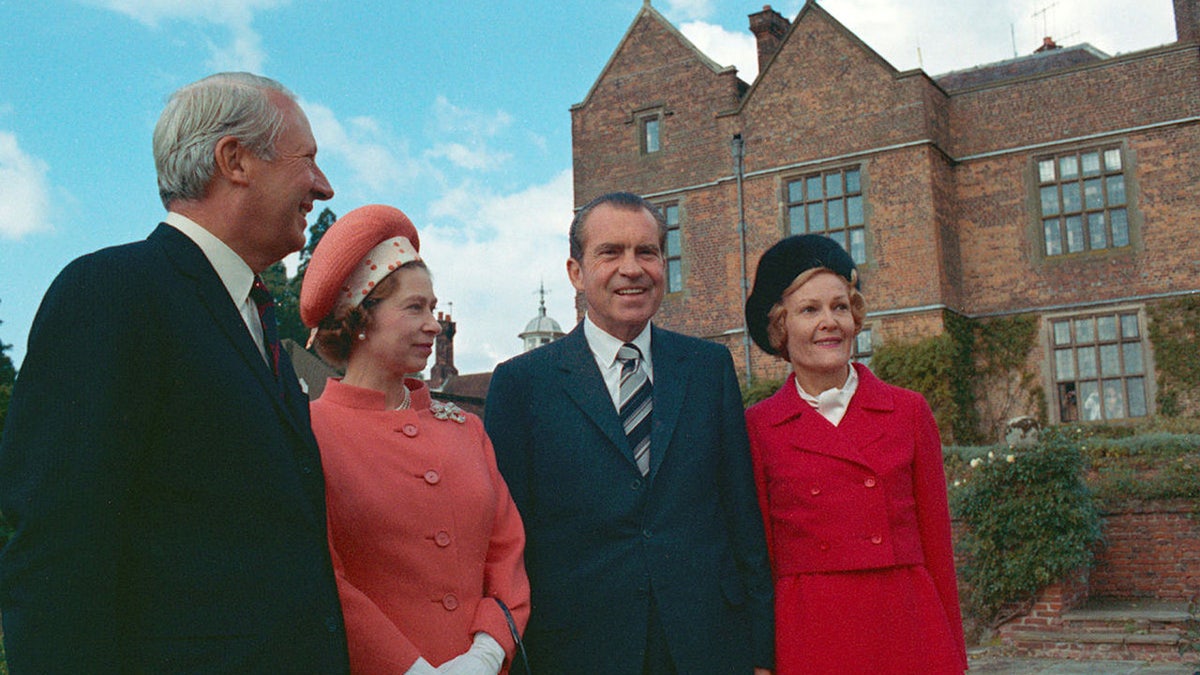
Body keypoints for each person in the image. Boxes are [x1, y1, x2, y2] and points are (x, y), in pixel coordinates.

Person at [0, 72, 348, 672]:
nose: (323, 185)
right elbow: (57, 551)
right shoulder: (111, 293)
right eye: (308, 159)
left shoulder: (259, 322)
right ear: (235, 160)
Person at [484, 192, 774, 675]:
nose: (632, 268)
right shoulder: (521, 385)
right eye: (610, 252)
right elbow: (506, 541)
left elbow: (740, 517)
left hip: (706, 645)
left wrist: (760, 653)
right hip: (577, 650)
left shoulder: (708, 369)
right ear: (576, 272)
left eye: (647, 252)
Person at [299, 204, 530, 675]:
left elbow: (507, 552)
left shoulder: (468, 431)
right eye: (414, 308)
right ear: (360, 317)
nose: (434, 324)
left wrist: (485, 656)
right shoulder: (308, 434)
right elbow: (322, 576)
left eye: (433, 307)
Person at [742, 234, 968, 674]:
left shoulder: (908, 411)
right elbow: (759, 561)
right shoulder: (757, 427)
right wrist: (762, 660)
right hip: (810, 635)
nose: (830, 321)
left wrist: (952, 656)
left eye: (840, 306)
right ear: (780, 326)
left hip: (905, 626)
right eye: (810, 310)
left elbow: (939, 550)